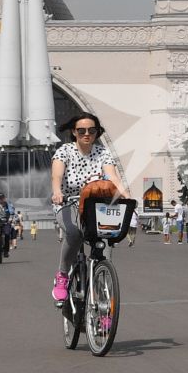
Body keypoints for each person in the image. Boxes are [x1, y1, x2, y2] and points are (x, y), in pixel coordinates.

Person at [49, 111, 130, 301]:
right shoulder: (65, 151)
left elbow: (113, 177)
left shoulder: (102, 153)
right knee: (74, 232)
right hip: (69, 202)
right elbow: (57, 176)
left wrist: (127, 197)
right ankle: (62, 275)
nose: (87, 134)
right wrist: (57, 192)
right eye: (81, 130)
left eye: (91, 130)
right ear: (74, 132)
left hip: (96, 205)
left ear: (97, 132)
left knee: (106, 241)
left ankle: (102, 299)